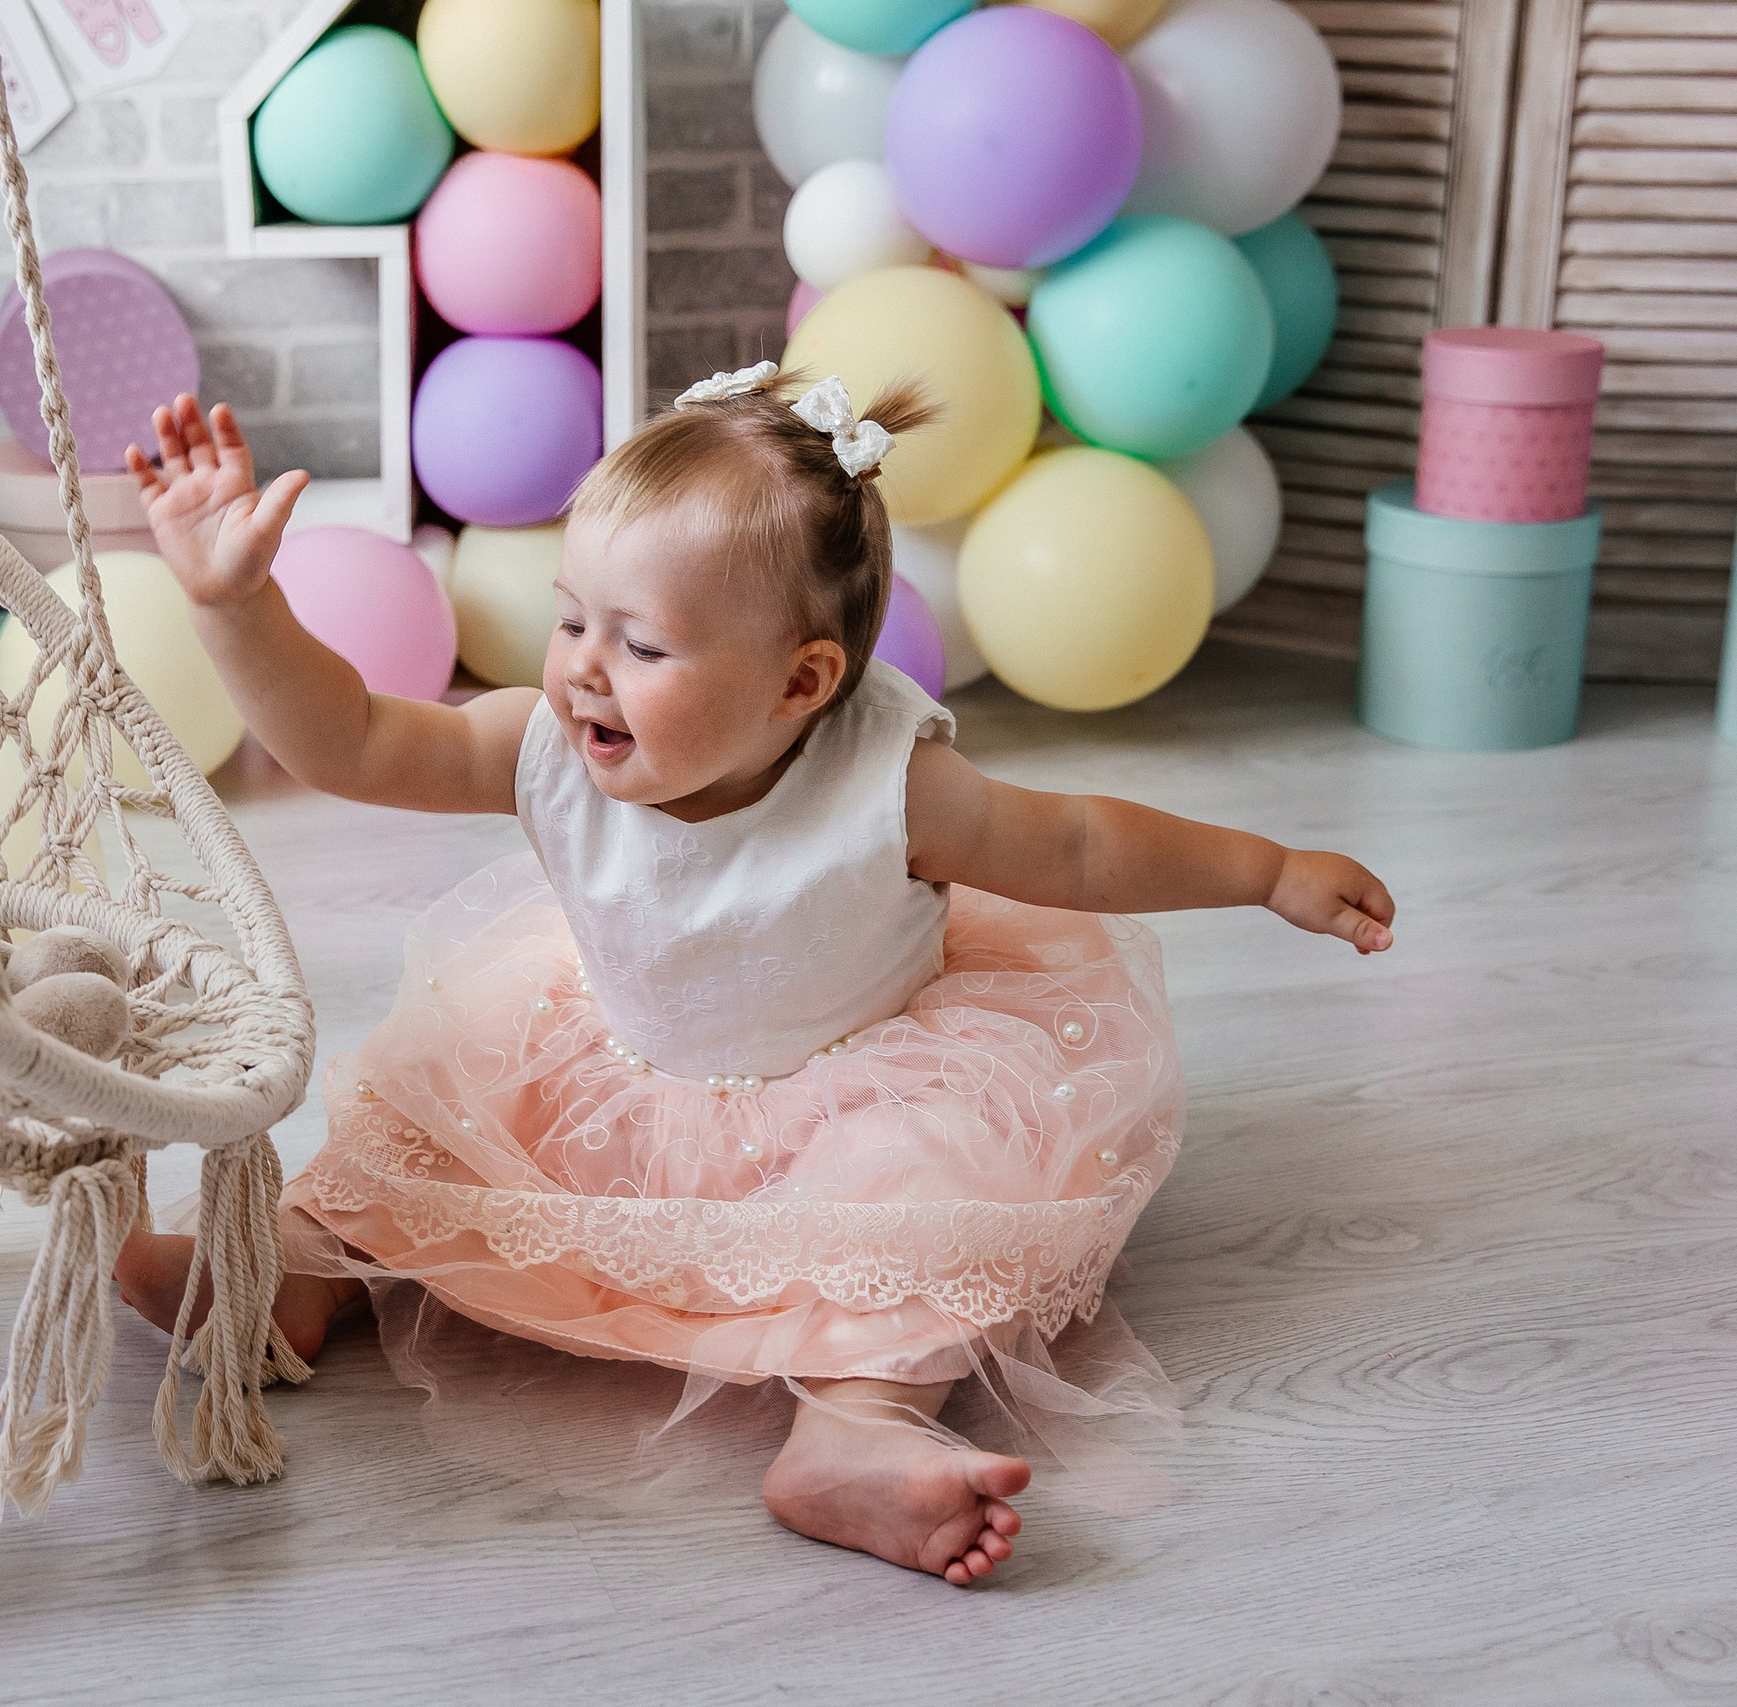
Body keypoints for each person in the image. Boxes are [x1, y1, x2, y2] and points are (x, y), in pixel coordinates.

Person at [109, 363, 1396, 1585]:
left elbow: (1077, 846)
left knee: (915, 1231)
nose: (581, 667)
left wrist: (1268, 869)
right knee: (423, 1133)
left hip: (851, 1097)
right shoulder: (541, 744)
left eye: (641, 647)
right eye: (570, 619)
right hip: (607, 1066)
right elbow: (349, 738)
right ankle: (287, 1273)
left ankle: (856, 1430)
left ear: (800, 682)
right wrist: (235, 604)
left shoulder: (889, 786)